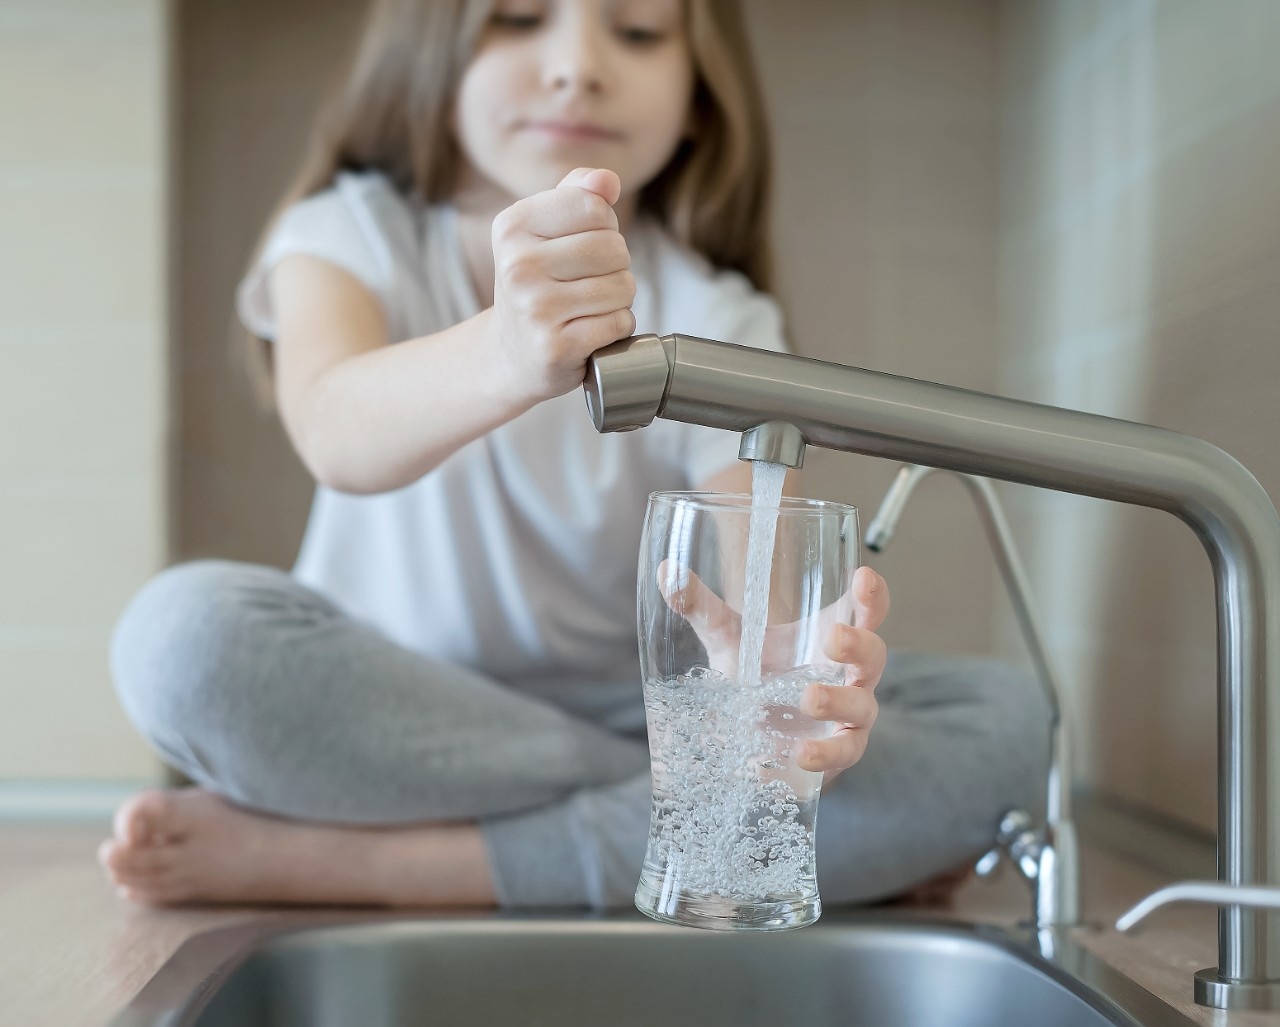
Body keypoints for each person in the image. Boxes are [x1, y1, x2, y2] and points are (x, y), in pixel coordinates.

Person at [99, 0, 1049, 911]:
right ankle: (677, 813)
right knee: (184, 642)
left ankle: (377, 861)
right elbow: (332, 428)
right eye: (517, 19)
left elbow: (754, 589)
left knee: (1006, 724)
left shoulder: (719, 313)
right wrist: (508, 351)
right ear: (432, 46)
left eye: (636, 31)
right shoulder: (349, 233)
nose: (579, 65)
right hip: (388, 710)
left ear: (700, 90)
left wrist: (773, 691)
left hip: (630, 708)